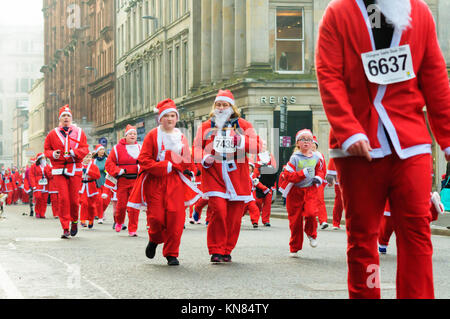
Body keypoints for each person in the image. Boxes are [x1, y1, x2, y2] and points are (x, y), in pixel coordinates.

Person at [316, 0, 450, 298]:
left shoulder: (420, 11)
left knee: (416, 231)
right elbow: (329, 76)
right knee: (363, 239)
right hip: (357, 148)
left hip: (410, 141)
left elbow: (435, 77)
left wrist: (448, 138)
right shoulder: (338, 12)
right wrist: (347, 130)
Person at [192, 89, 262, 263]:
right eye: (219, 105)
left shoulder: (243, 125)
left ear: (232, 107)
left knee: (234, 216)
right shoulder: (206, 126)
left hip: (237, 175)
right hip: (215, 174)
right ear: (214, 107)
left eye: (225, 105)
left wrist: (241, 141)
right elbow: (196, 148)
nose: (222, 108)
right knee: (219, 210)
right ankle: (216, 249)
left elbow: (258, 146)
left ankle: (227, 248)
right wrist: (205, 158)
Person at [128, 98, 200, 266]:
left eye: (173, 116)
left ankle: (171, 253)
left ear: (177, 118)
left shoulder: (181, 137)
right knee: (156, 218)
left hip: (175, 182)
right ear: (160, 118)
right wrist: (163, 166)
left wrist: (190, 169)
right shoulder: (152, 135)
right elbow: (144, 160)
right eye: (166, 116)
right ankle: (154, 239)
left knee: (176, 219)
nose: (170, 119)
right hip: (155, 181)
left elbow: (186, 159)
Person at [44, 105, 89, 239]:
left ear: (71, 119)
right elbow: (46, 150)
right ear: (60, 119)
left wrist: (74, 152)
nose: (66, 118)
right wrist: (54, 154)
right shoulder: (52, 133)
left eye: (68, 116)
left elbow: (85, 149)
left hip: (74, 169)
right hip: (58, 170)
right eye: (63, 116)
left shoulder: (79, 132)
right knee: (63, 199)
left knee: (74, 200)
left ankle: (74, 221)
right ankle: (65, 227)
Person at [283, 129, 325, 257]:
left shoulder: (317, 157)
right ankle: (294, 247)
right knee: (295, 221)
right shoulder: (294, 158)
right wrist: (303, 174)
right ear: (298, 143)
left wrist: (318, 178)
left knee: (312, 213)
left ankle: (311, 234)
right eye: (303, 139)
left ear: (313, 143)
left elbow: (321, 170)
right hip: (295, 192)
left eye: (309, 139)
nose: (306, 142)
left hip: (310, 190)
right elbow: (288, 176)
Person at [105, 125, 141, 237]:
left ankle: (133, 229)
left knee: (134, 207)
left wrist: (141, 167)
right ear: (125, 136)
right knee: (121, 206)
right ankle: (119, 221)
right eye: (130, 134)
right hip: (123, 181)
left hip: (136, 181)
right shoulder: (117, 148)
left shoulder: (141, 148)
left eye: (134, 134)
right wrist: (118, 170)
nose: (132, 136)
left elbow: (146, 160)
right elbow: (109, 163)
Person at [252, 140, 277, 227]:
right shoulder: (255, 156)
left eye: (265, 145)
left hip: (269, 183)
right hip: (258, 182)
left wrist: (273, 184)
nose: (263, 146)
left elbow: (274, 169)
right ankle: (255, 219)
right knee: (257, 202)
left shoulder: (270, 156)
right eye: (262, 145)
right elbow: (253, 168)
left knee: (267, 203)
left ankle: (266, 220)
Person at [79, 153, 101, 229]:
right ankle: (83, 220)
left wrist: (88, 172)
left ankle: (91, 220)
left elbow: (98, 176)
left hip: (91, 187)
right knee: (84, 203)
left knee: (92, 205)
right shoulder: (79, 166)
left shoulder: (93, 166)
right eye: (86, 157)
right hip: (82, 187)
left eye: (89, 157)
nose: (88, 159)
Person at [311, 136, 329, 229]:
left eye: (314, 144)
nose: (313, 146)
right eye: (311, 144)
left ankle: (323, 221)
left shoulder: (320, 155)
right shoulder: (305, 154)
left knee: (320, 201)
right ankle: (311, 220)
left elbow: (323, 169)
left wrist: (323, 180)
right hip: (307, 181)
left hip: (318, 181)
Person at [92, 144, 110, 224]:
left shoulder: (107, 159)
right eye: (100, 150)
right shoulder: (94, 161)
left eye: (103, 149)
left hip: (106, 183)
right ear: (97, 152)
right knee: (99, 201)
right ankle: (100, 217)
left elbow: (110, 170)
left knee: (106, 201)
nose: (102, 151)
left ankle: (101, 212)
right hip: (97, 183)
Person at [325, 158, 344, 230]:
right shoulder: (338, 149)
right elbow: (332, 161)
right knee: (339, 202)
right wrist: (330, 179)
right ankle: (336, 223)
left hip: (354, 179)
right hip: (340, 180)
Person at [29, 153, 50, 219]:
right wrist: (33, 185)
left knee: (44, 200)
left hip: (45, 185)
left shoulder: (47, 166)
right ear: (39, 159)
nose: (44, 159)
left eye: (44, 158)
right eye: (43, 158)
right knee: (38, 199)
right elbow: (31, 176)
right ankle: (37, 212)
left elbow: (50, 175)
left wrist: (47, 168)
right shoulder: (34, 166)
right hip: (38, 185)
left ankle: (42, 213)